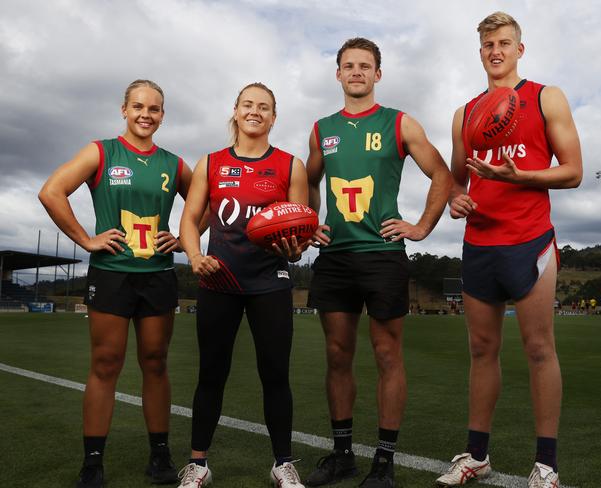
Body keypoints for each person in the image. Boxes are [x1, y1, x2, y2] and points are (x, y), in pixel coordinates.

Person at [436, 12, 582, 488]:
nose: (494, 51)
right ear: (480, 52)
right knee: (481, 350)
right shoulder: (466, 113)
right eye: (486, 45)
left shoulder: (545, 97)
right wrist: (458, 197)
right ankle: (476, 455)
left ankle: (546, 466)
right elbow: (459, 176)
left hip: (530, 241)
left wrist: (523, 178)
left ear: (520, 48)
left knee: (539, 349)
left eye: (503, 43)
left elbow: (574, 170)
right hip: (479, 242)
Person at [304, 38, 452, 488]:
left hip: (383, 255)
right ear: (338, 74)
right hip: (335, 257)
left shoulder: (399, 123)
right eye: (348, 66)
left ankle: (384, 463)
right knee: (336, 355)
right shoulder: (321, 128)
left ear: (377, 74)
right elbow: (306, 180)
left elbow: (442, 174)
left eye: (364, 66)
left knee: (388, 354)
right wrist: (309, 220)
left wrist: (422, 227)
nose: (356, 72)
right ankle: (343, 454)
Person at [39, 79, 192, 488]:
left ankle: (159, 455)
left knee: (156, 363)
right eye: (138, 106)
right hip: (111, 274)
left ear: (163, 115)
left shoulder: (173, 164)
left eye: (155, 109)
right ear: (123, 109)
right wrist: (86, 240)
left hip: (158, 274)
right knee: (105, 365)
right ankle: (93, 462)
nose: (146, 114)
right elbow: (51, 191)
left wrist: (182, 238)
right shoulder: (102, 151)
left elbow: (204, 202)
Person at [176, 82, 309, 488]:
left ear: (273, 117)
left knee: (275, 374)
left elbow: (300, 238)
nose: (255, 112)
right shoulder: (211, 163)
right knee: (211, 374)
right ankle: (198, 465)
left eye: (264, 107)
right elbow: (189, 218)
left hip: (270, 282)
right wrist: (196, 257)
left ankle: (283, 464)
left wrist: (294, 246)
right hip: (220, 280)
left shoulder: (290, 165)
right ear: (235, 111)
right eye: (248, 105)